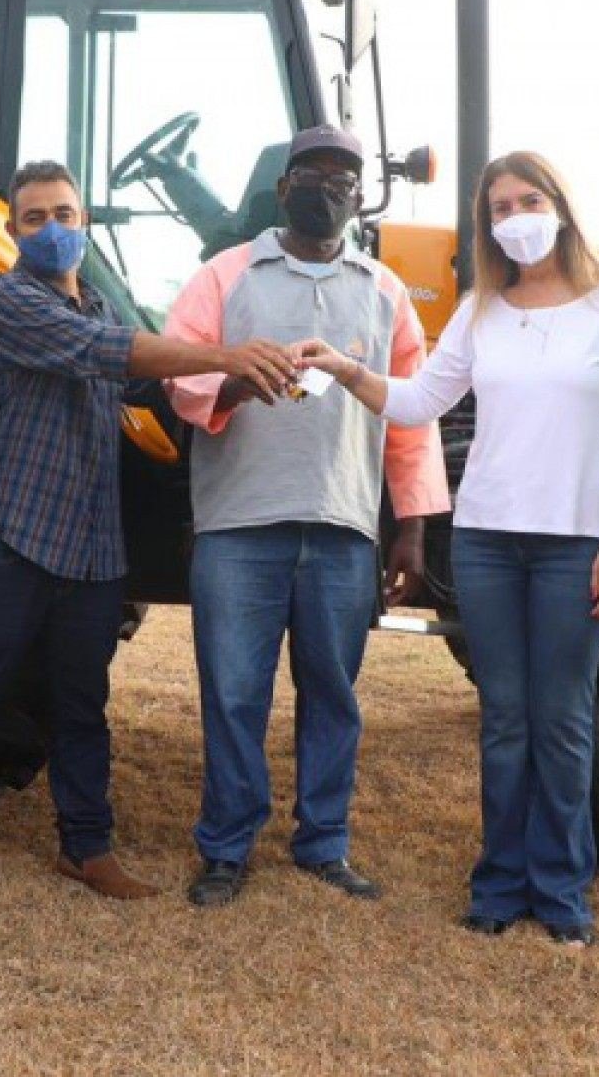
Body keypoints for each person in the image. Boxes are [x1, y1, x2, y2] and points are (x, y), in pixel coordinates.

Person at [0, 161, 301, 925]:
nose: (52, 228)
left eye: (63, 212)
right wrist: (228, 351)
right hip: (11, 536)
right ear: (14, 230)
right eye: (33, 218)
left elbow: (155, 386)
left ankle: (86, 846)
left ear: (85, 220)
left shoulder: (93, 301)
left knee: (83, 704)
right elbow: (121, 354)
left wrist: (241, 386)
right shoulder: (7, 301)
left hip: (90, 545)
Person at [299, 151, 599, 948]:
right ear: (487, 224)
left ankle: (562, 891)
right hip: (489, 540)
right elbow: (423, 397)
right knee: (505, 718)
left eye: (529, 199)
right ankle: (497, 883)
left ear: (560, 205)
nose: (516, 216)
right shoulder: (481, 308)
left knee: (560, 717)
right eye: (500, 207)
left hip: (576, 543)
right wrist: (348, 367)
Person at [163, 126, 450, 907]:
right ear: (283, 186)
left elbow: (411, 417)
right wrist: (230, 383)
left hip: (341, 525)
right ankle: (225, 847)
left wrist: (412, 524)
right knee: (233, 692)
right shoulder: (225, 274)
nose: (328, 188)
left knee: (334, 692)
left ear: (361, 198)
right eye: (313, 174)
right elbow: (175, 368)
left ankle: (324, 841)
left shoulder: (385, 292)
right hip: (238, 522)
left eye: (344, 179)